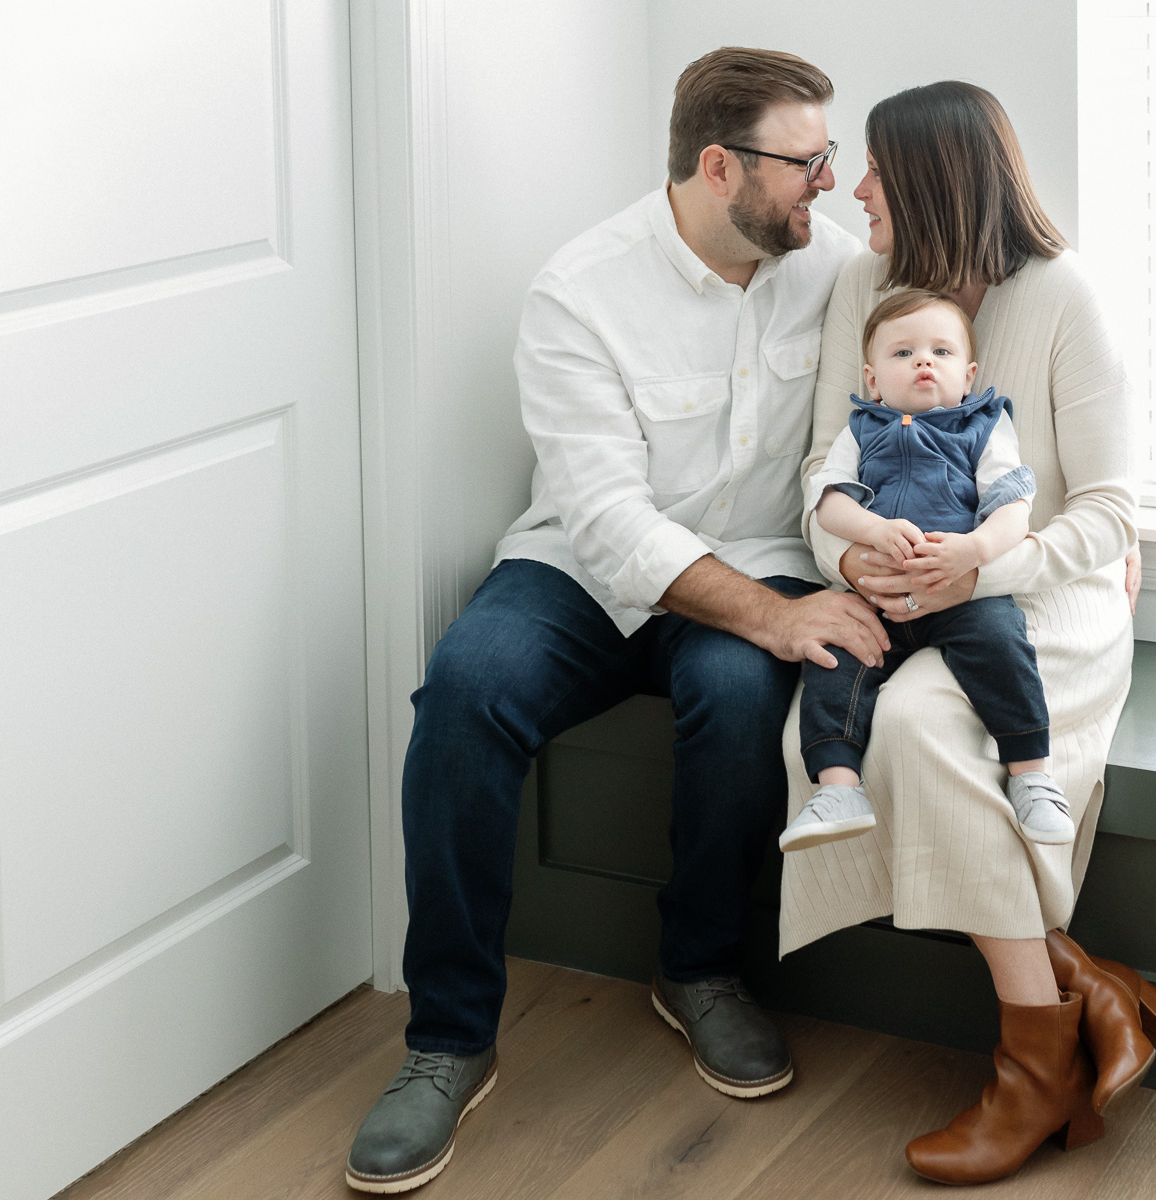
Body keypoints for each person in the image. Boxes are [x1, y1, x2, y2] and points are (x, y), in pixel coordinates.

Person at [343, 47, 873, 1194]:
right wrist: (771, 622)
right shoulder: (580, 289)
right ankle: (446, 1039)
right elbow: (608, 517)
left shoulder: (833, 267)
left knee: (738, 696)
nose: (829, 179)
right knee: (465, 695)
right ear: (720, 166)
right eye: (807, 159)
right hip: (583, 570)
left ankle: (699, 972)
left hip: (761, 557)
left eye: (830, 156)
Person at [777, 81, 1156, 1186]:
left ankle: (1035, 1064)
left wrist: (987, 563)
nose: (856, 189)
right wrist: (848, 558)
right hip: (904, 586)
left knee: (914, 727)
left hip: (1041, 597)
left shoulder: (1063, 299)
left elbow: (1108, 513)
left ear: (936, 185)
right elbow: (827, 466)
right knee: (836, 726)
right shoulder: (866, 282)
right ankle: (1075, 986)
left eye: (876, 171)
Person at [780, 288, 1072, 854]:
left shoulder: (984, 426)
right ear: (871, 379)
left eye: (940, 351)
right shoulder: (860, 428)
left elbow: (1014, 508)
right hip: (875, 592)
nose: (923, 361)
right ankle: (838, 788)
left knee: (1000, 641)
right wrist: (871, 531)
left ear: (968, 374)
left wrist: (973, 551)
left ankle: (1031, 773)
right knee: (834, 656)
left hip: (960, 591)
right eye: (903, 353)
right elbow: (829, 501)